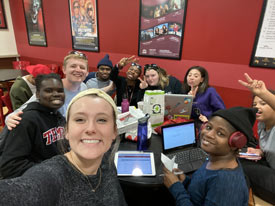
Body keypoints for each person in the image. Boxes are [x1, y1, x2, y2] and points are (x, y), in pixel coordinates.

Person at [0, 89, 127, 206]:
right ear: (66, 131)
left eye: (102, 120)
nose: (91, 129)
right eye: (80, 119)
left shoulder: (107, 160)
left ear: (114, 131)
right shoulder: (50, 178)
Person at [163, 106, 257, 206]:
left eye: (220, 133)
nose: (208, 134)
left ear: (236, 142)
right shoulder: (214, 159)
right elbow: (202, 188)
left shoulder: (225, 183)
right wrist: (185, 181)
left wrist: (176, 188)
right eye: (209, 127)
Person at [0, 73, 65, 179]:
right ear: (38, 94)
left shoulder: (58, 117)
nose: (56, 94)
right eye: (48, 90)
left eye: (60, 90)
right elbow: (10, 167)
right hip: (37, 183)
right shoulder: (26, 120)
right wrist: (52, 171)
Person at [5, 50, 88, 130]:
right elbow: (24, 108)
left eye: (82, 67)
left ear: (87, 72)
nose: (78, 70)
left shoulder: (84, 88)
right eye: (73, 66)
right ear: (64, 70)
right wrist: (9, 118)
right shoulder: (51, 88)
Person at [239, 73, 275, 204]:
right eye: (255, 104)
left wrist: (263, 92)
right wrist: (260, 152)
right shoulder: (261, 124)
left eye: (264, 103)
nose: (257, 107)